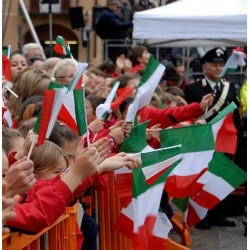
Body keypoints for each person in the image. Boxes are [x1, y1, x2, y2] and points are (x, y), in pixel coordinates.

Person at [184, 47, 242, 229]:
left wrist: (237, 139)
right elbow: (188, 115)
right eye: (214, 65)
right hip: (201, 140)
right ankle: (200, 216)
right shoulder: (193, 88)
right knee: (201, 178)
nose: (218, 68)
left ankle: (218, 214)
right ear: (204, 66)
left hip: (223, 141)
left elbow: (234, 115)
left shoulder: (229, 87)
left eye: (220, 65)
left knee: (219, 176)